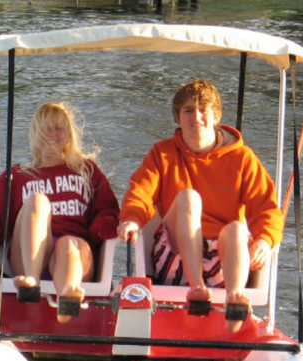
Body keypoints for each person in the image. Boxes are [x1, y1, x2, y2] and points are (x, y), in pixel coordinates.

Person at [117, 79, 283, 331]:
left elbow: (267, 208)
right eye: (188, 110)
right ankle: (197, 289)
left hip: (224, 264)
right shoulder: (162, 153)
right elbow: (140, 191)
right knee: (188, 198)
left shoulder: (243, 158)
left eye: (203, 109)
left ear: (215, 115)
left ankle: (235, 300)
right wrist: (131, 218)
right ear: (177, 116)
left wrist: (264, 239)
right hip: (174, 259)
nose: (197, 116)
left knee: (238, 228)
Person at [0, 102, 119, 322]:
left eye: (58, 128)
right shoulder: (18, 175)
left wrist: (105, 226)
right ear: (34, 134)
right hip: (28, 257)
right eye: (45, 128)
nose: (52, 134)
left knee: (69, 244)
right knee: (38, 201)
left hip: (73, 256)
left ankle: (68, 294)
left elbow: (107, 210)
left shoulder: (87, 171)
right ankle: (32, 282)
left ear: (69, 135)